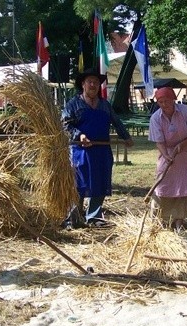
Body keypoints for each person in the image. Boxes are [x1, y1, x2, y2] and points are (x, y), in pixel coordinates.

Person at [62, 68, 134, 229]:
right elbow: (65, 124)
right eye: (90, 82)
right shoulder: (74, 104)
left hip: (102, 150)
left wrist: (126, 137)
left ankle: (94, 217)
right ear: (83, 84)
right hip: (80, 151)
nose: (93, 85)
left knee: (100, 183)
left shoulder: (104, 105)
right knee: (79, 183)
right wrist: (79, 135)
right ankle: (73, 217)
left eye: (96, 82)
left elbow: (116, 122)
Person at [148, 87, 187, 232]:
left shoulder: (185, 111)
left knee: (183, 187)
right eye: (160, 102)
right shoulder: (155, 118)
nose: (164, 104)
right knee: (163, 186)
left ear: (173, 100)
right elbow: (158, 141)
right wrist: (166, 155)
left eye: (166, 101)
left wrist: (182, 145)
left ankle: (179, 220)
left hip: (186, 153)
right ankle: (161, 218)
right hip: (167, 154)